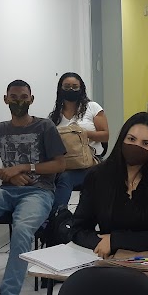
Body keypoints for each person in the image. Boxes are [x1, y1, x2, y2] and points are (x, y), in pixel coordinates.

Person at [70, 112, 148, 295]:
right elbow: (78, 229)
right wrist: (101, 244)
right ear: (122, 138)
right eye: (131, 139)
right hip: (111, 266)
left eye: (146, 143)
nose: (136, 147)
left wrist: (116, 240)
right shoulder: (97, 176)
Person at [0, 80, 66, 295]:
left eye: (24, 97)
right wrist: (7, 174)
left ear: (31, 100)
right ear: (6, 99)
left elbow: (60, 165)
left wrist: (25, 167)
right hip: (7, 190)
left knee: (22, 230)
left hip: (39, 192)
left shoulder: (45, 127)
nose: (19, 102)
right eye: (14, 97)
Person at [49, 72, 109, 209]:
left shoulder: (92, 107)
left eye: (75, 87)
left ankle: (57, 218)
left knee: (66, 178)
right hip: (63, 164)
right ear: (60, 88)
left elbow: (105, 135)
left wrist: (81, 133)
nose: (71, 90)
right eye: (67, 86)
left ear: (81, 88)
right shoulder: (54, 116)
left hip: (90, 163)